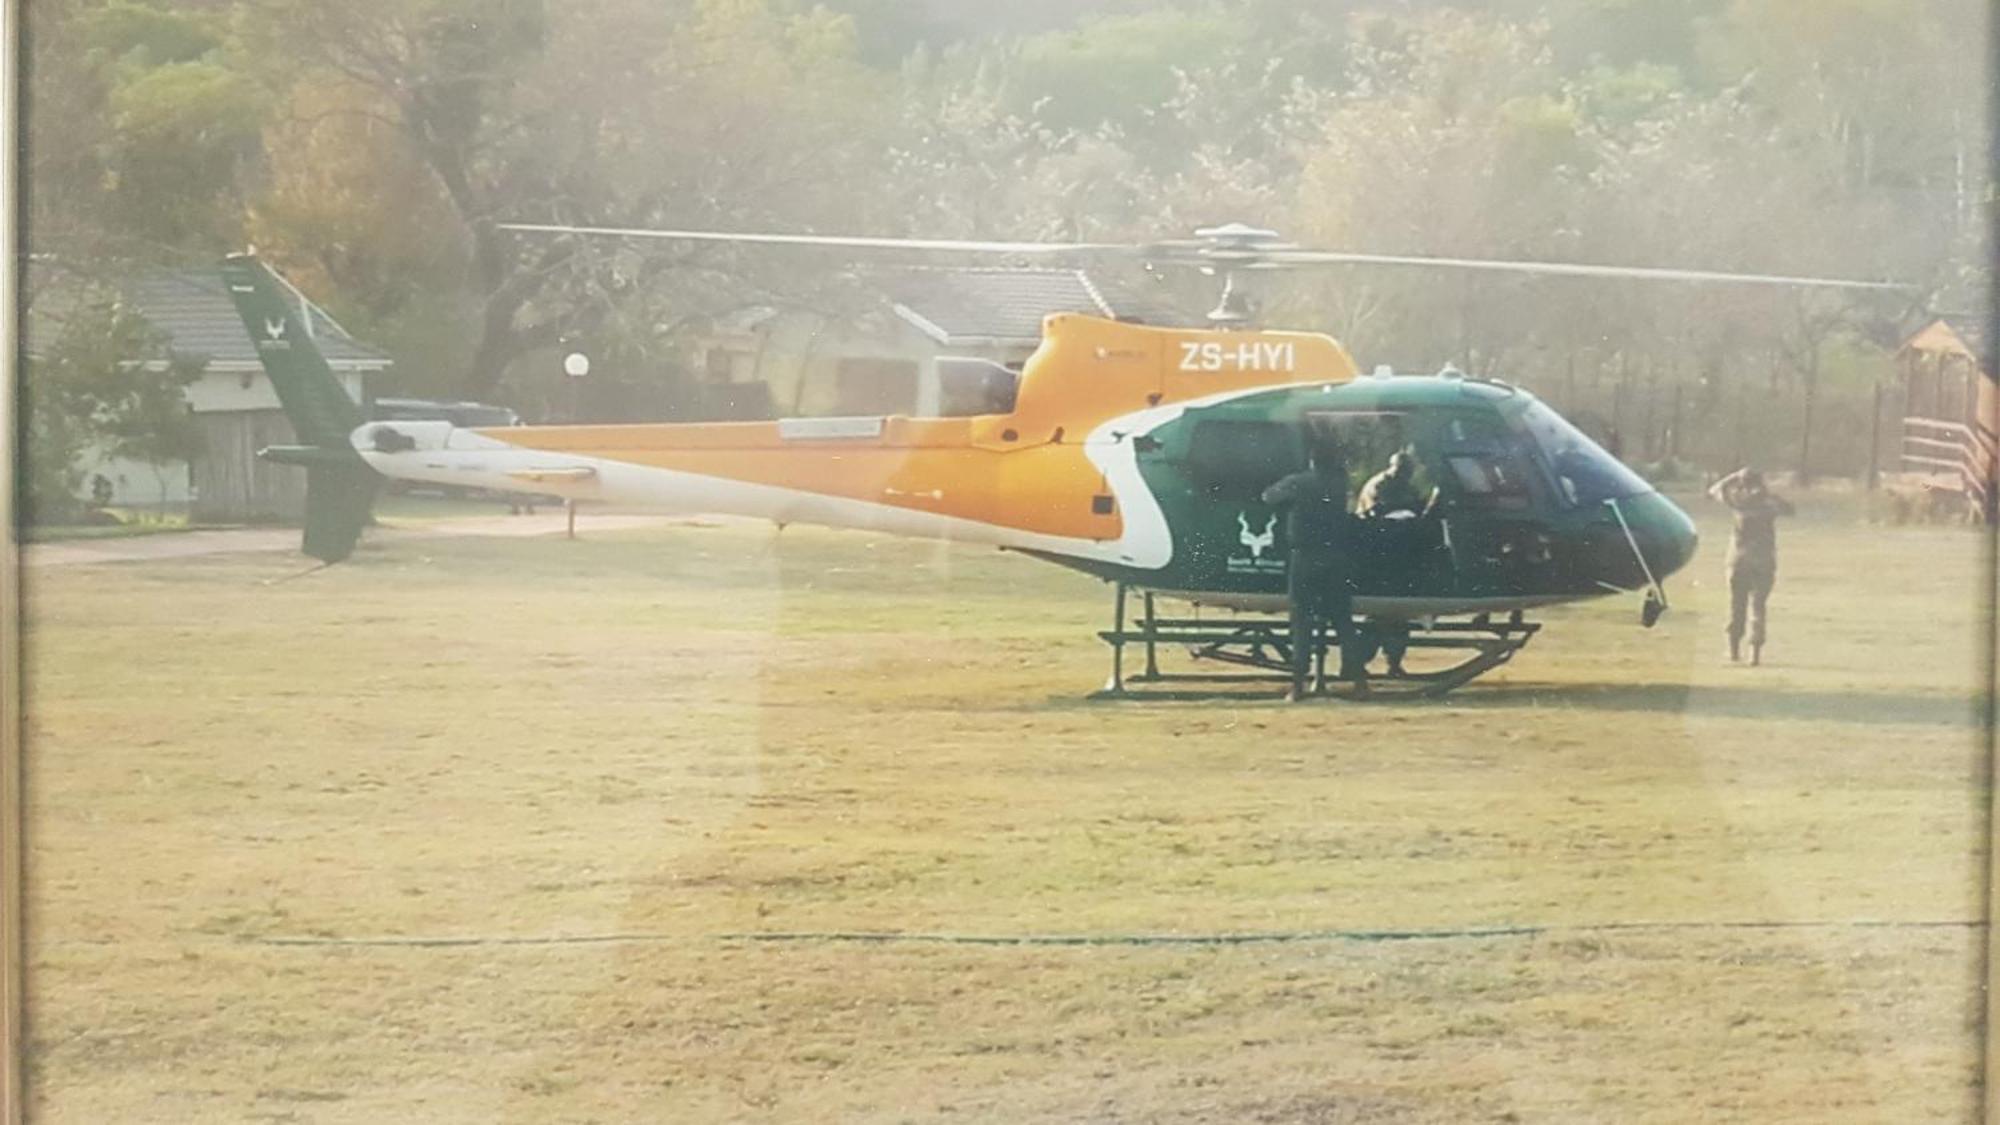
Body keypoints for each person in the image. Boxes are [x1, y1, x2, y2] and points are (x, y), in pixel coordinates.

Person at [1262, 439, 1364, 700]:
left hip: (1305, 557)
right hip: (1337, 558)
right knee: (1343, 620)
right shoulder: (1340, 484)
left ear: (1312, 460)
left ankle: (1298, 684)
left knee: (1301, 620)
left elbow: (1269, 497)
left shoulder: (1298, 482)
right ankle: (1359, 679)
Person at [1707, 467, 1794, 665]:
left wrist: (1733, 476)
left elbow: (1714, 490)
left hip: (1738, 560)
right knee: (1758, 607)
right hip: (1764, 560)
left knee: (1736, 605)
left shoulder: (1738, 502)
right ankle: (1755, 653)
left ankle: (1733, 651)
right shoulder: (1769, 506)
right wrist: (1769, 493)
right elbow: (1790, 509)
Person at [1353, 451, 1426, 676]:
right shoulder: (1379, 485)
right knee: (1377, 616)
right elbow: (1375, 512)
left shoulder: (1407, 486)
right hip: (1377, 549)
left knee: (1398, 616)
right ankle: (1358, 663)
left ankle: (1394, 663)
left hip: (1398, 552)